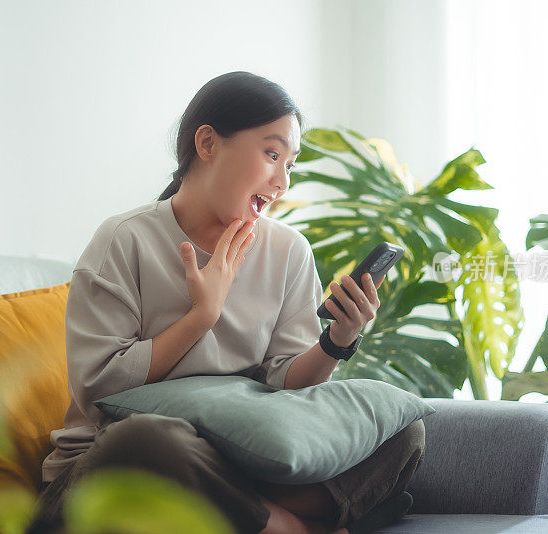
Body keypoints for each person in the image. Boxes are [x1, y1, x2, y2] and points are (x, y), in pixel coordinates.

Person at [28, 71, 425, 534]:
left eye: (290, 164)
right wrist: (202, 316)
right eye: (272, 154)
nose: (281, 181)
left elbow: (284, 386)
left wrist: (338, 340)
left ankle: (249, 514)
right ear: (208, 143)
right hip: (109, 472)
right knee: (144, 439)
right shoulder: (125, 239)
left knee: (400, 429)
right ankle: (295, 525)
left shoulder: (288, 251)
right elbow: (99, 388)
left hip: (231, 469)